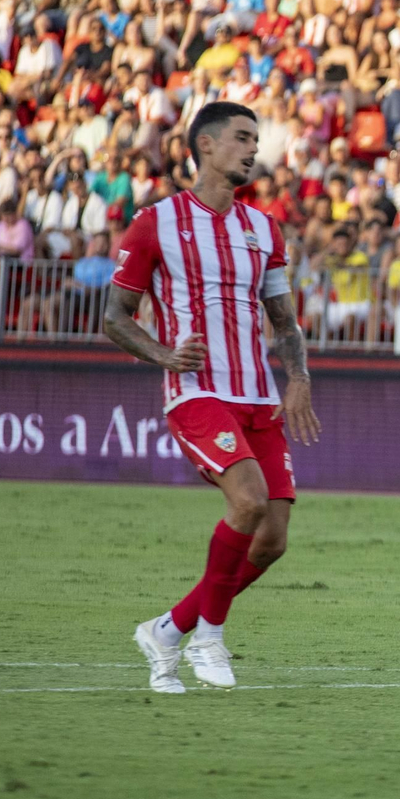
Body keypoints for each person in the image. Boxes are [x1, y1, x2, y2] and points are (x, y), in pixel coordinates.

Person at [105, 101, 321, 693]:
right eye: (242, 138)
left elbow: (284, 319)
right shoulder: (157, 223)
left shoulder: (263, 229)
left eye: (257, 139)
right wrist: (163, 355)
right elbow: (114, 316)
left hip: (258, 396)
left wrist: (298, 377)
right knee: (247, 502)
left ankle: (169, 629)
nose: (254, 149)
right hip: (197, 390)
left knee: (272, 540)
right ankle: (210, 638)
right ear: (205, 145)